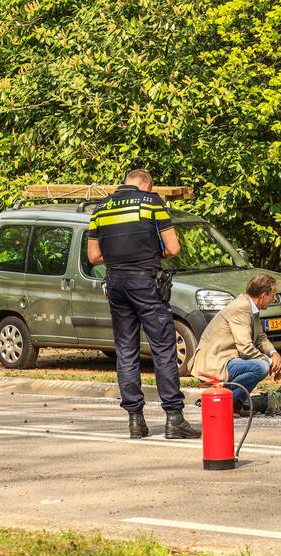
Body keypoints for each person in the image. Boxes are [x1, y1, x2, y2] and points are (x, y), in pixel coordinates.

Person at [87, 169, 201, 440]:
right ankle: (174, 418)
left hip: (115, 282)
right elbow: (173, 249)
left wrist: (119, 260)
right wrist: (150, 254)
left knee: (126, 351)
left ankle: (135, 421)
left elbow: (93, 257)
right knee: (163, 349)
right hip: (146, 283)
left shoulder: (101, 208)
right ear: (147, 185)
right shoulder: (152, 203)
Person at [190, 274, 281, 415]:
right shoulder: (241, 308)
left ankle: (234, 403)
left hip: (227, 358)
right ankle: (223, 401)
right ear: (263, 295)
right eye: (273, 295)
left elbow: (260, 337)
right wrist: (271, 362)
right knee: (261, 367)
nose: (274, 299)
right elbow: (246, 348)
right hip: (216, 361)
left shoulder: (250, 306)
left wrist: (274, 353)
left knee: (261, 365)